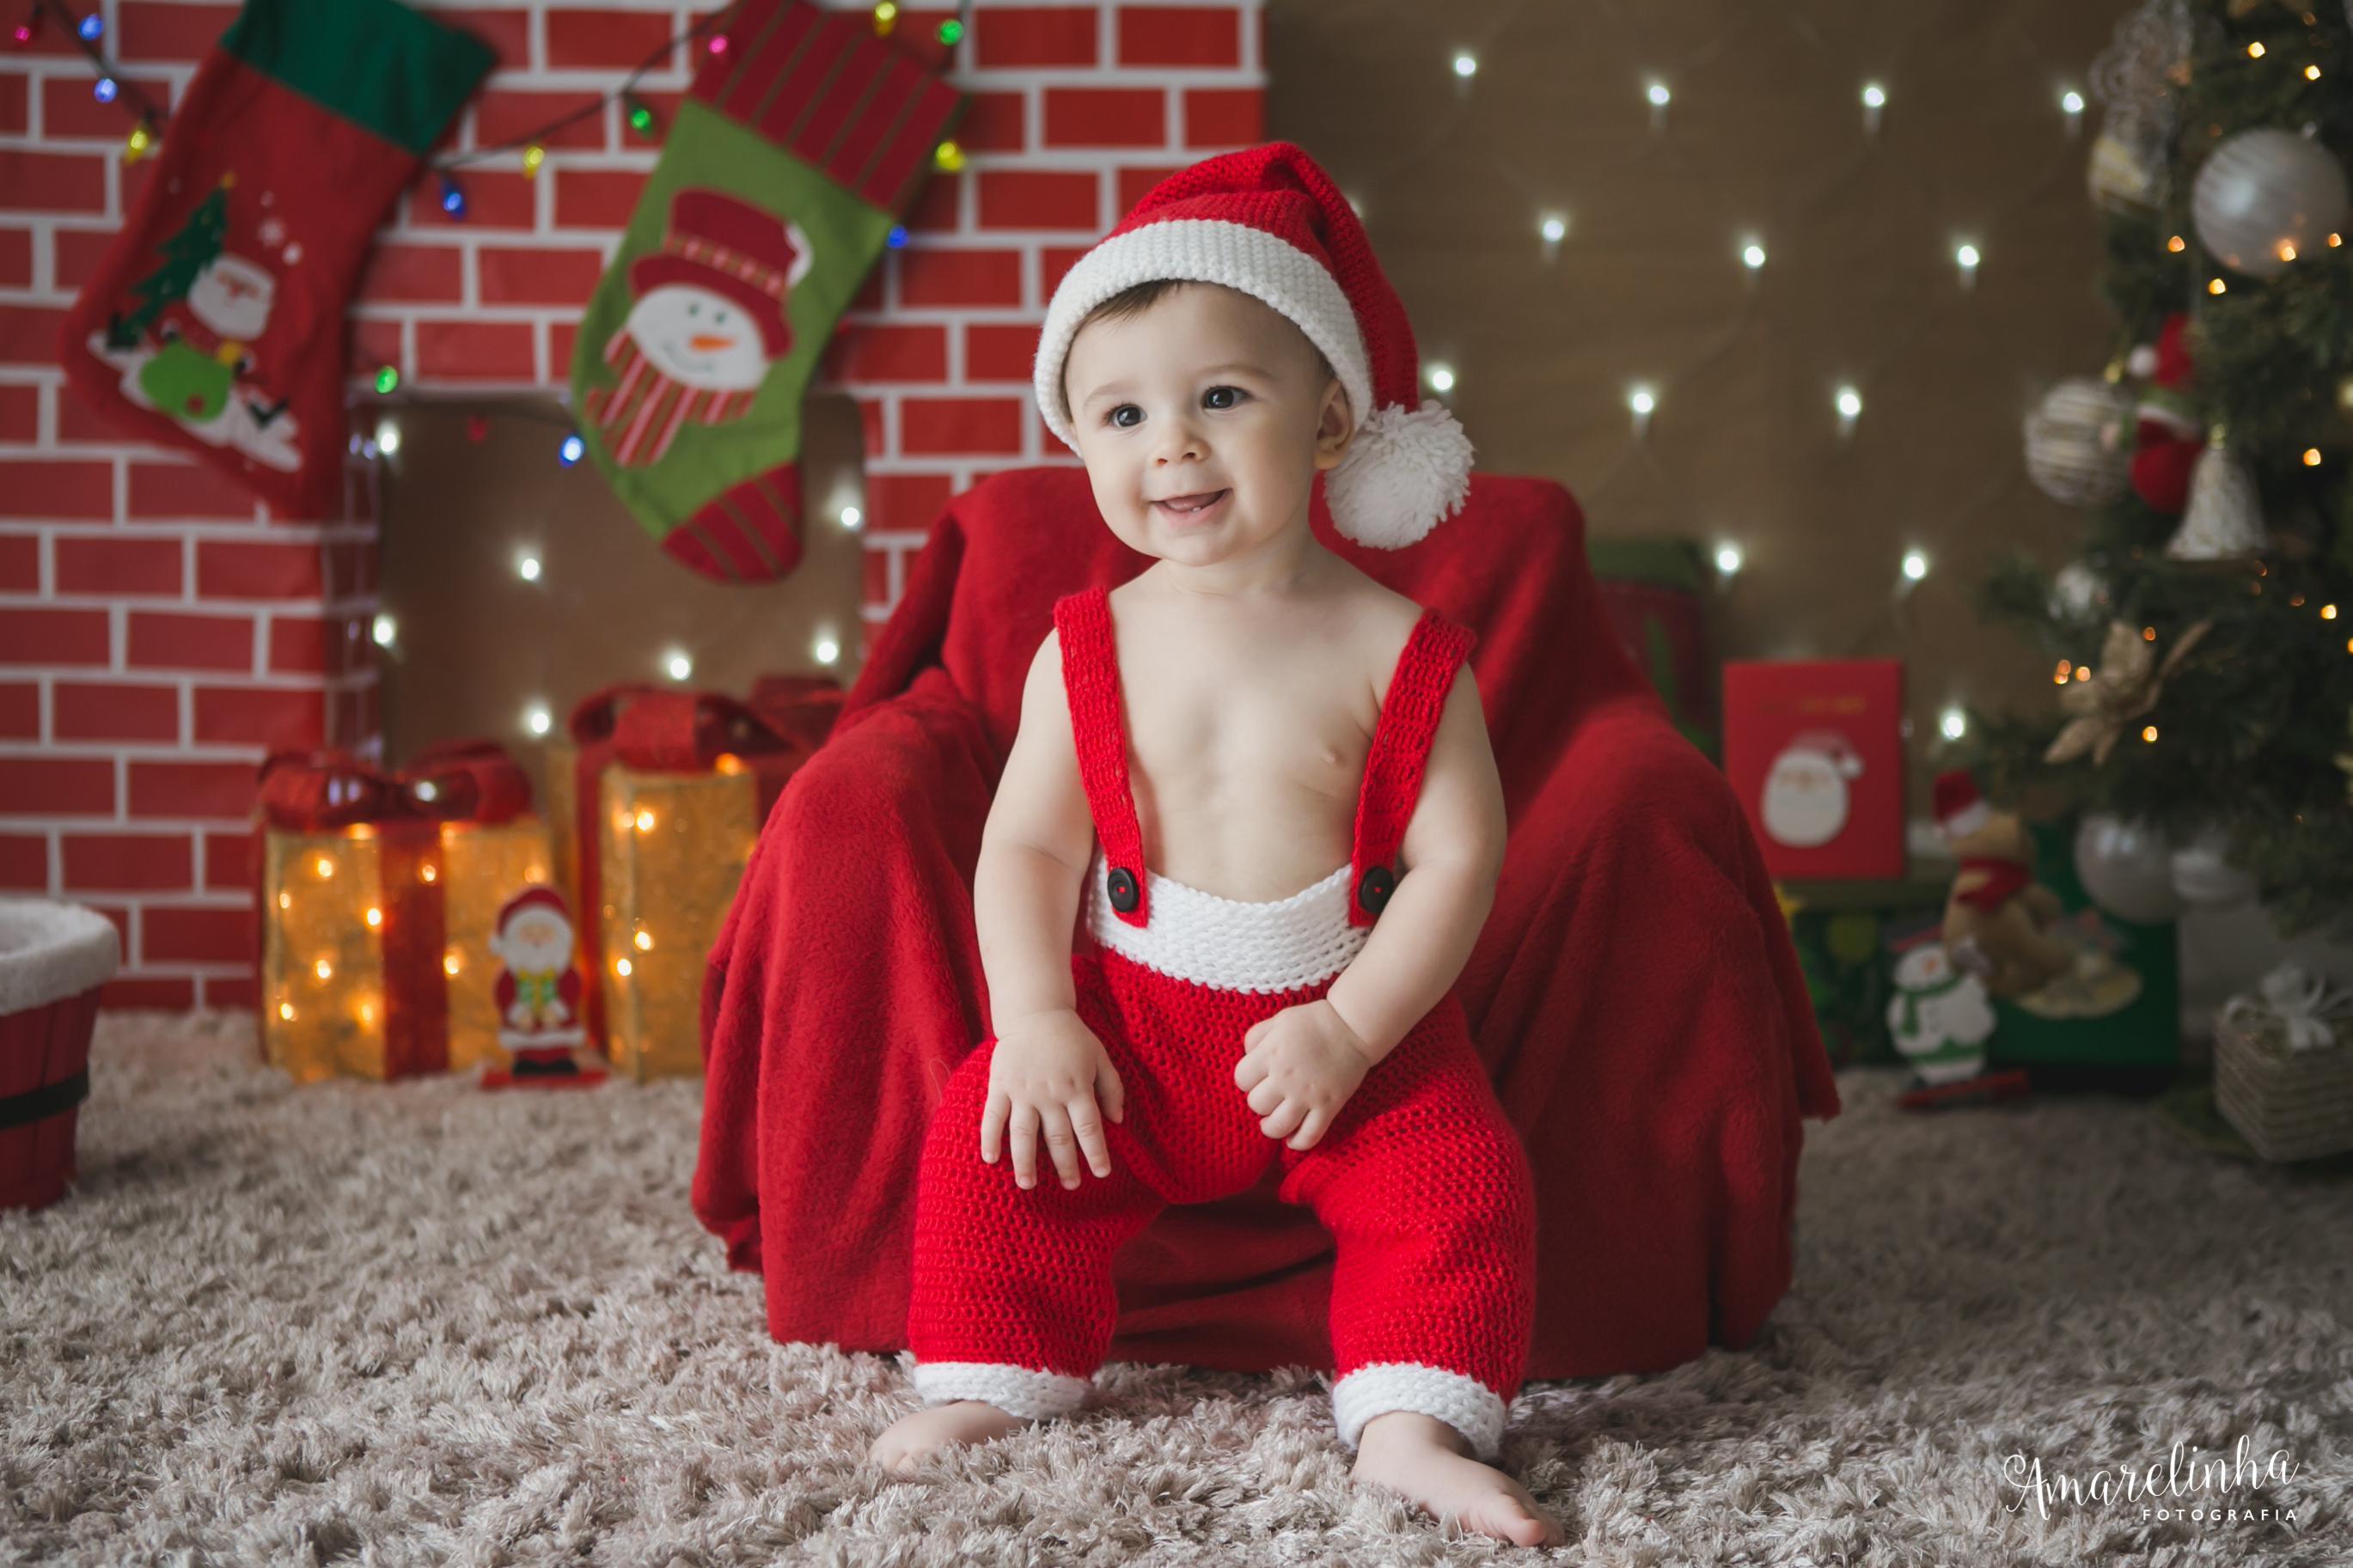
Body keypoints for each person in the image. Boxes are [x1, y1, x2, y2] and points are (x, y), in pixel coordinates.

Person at [865, 143, 1559, 1548]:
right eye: (1120, 412)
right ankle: (999, 1380)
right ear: (1080, 442)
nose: (1167, 444)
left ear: (1327, 421)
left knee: (1459, 1179)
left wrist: (1356, 1032)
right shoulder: (1091, 647)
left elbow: (1456, 863)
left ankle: (1412, 1424)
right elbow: (1025, 855)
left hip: (1342, 1023)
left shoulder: (1398, 647)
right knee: (988, 1143)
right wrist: (1040, 1021)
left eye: (1219, 398)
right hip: (1132, 1017)